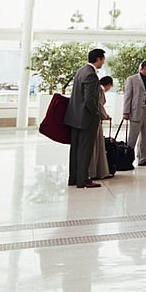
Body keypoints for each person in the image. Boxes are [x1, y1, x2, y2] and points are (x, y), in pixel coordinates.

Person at [64, 48, 106, 189]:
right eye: (103, 59)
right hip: (86, 118)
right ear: (99, 59)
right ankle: (83, 179)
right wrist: (97, 114)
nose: (103, 62)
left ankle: (73, 177)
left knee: (75, 148)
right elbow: (89, 99)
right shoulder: (91, 75)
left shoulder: (81, 71)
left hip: (74, 116)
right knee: (85, 149)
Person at [123, 60, 146, 167]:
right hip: (135, 112)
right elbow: (127, 96)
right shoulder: (132, 79)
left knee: (145, 136)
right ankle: (128, 159)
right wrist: (126, 111)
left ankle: (142, 159)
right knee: (132, 137)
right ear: (145, 68)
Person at [90, 76, 114, 181]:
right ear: (108, 84)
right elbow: (99, 105)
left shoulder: (96, 88)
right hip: (95, 120)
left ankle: (94, 171)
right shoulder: (100, 90)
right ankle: (96, 171)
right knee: (97, 145)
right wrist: (105, 115)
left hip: (93, 119)